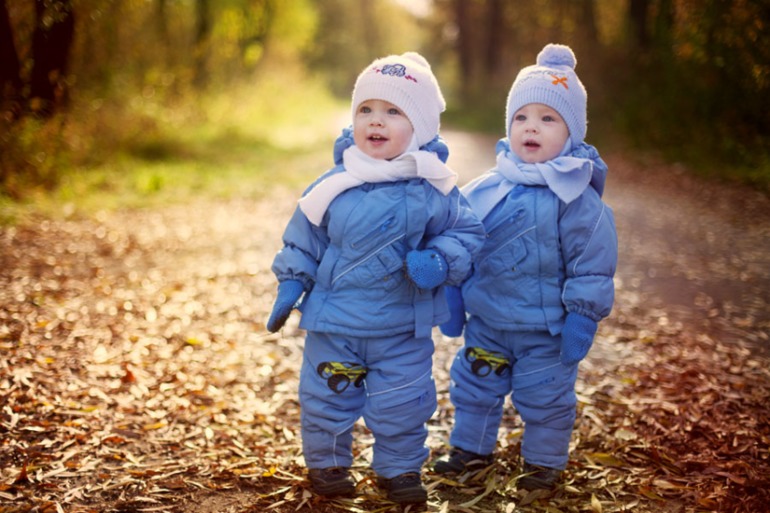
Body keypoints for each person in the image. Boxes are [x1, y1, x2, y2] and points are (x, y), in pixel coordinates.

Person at [266, 52, 485, 504]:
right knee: (326, 400)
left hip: (402, 326)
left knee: (402, 403)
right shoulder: (334, 184)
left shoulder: (434, 188)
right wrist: (292, 281)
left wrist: (440, 261)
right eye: (365, 109)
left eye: (393, 111)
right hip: (334, 323)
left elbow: (466, 233)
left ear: (421, 127)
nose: (375, 121)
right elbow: (304, 237)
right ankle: (327, 463)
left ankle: (399, 470)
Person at [433, 43, 618, 491]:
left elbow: (592, 265)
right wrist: (454, 291)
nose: (531, 126)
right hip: (489, 323)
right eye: (521, 117)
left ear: (571, 133)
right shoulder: (487, 189)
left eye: (548, 118)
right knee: (475, 389)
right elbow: (464, 241)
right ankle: (471, 451)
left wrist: (582, 315)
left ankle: (542, 464)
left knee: (546, 400)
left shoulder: (578, 200)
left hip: (547, 332)